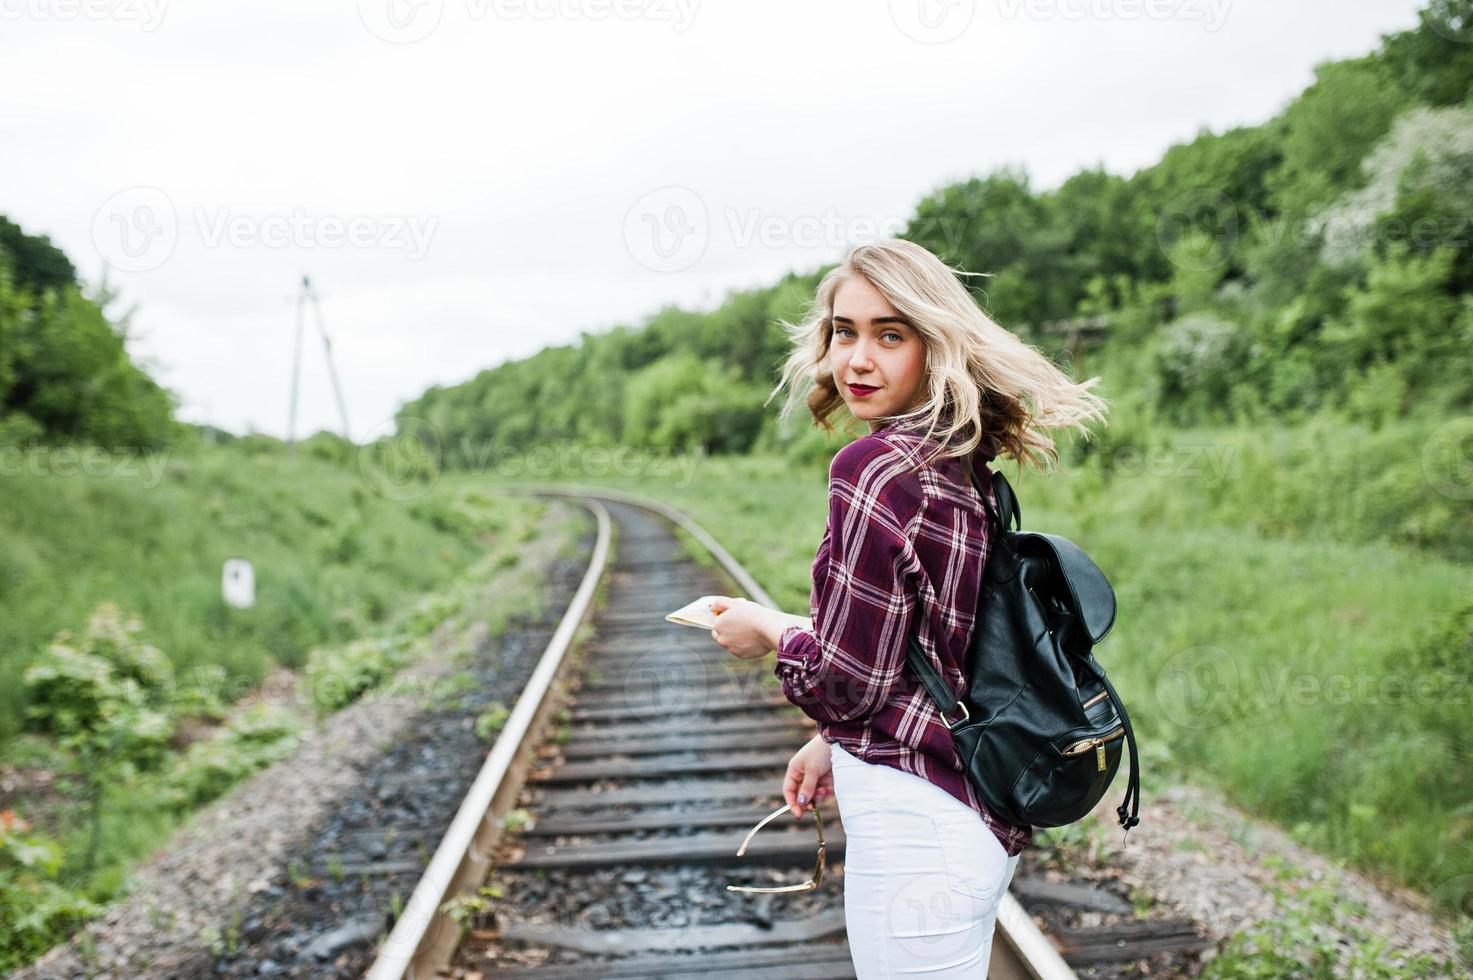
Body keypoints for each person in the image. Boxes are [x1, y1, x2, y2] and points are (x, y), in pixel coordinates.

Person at [708, 237, 1108, 977]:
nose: (855, 359)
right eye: (843, 331)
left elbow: (847, 683)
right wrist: (832, 744)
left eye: (889, 335)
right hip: (964, 817)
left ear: (934, 345)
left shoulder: (872, 469)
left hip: (915, 829)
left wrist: (768, 631)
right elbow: (932, 648)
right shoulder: (961, 464)